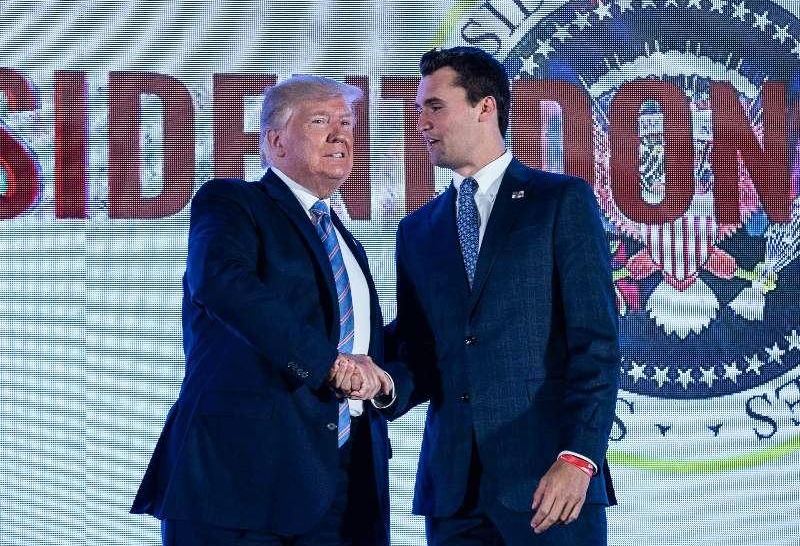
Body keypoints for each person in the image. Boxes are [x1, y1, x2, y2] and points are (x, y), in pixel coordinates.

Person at [131, 75, 398, 546]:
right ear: (275, 142)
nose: (342, 134)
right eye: (320, 121)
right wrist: (328, 364)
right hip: (240, 483)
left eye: (347, 122)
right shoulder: (233, 203)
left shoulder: (345, 240)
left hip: (344, 486)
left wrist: (384, 381)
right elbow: (225, 285)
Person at [385, 47, 620, 545]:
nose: (421, 122)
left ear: (484, 107)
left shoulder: (561, 201)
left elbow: (596, 344)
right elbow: (420, 355)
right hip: (453, 496)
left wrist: (579, 458)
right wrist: (376, 382)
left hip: (551, 485)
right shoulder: (417, 230)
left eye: (434, 106)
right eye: (418, 110)